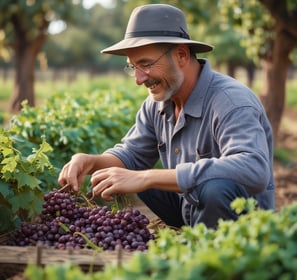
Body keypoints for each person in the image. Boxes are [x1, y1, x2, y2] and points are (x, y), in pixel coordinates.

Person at [58, 4, 275, 229]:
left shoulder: (230, 101)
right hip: (189, 210)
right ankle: (189, 234)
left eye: (146, 64)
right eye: (133, 67)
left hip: (244, 225)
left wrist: (148, 177)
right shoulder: (157, 104)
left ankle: (209, 256)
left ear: (181, 55)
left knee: (214, 187)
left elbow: (254, 168)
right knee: (136, 174)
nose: (138, 79)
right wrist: (91, 161)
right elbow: (132, 154)